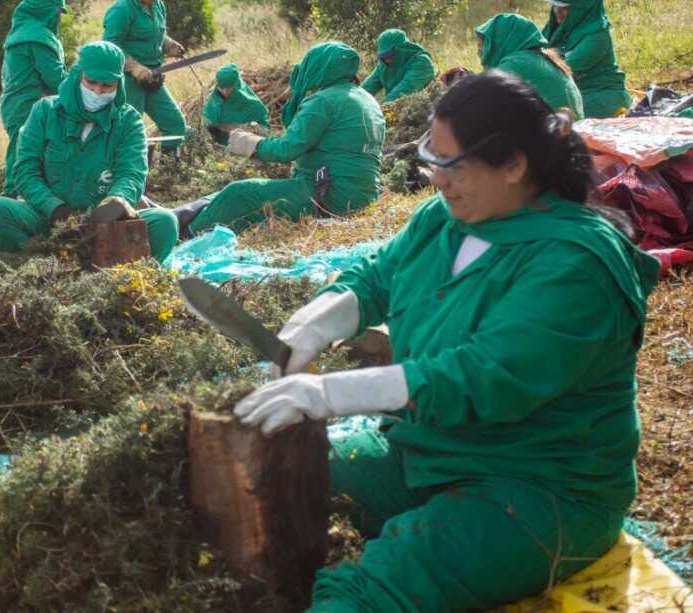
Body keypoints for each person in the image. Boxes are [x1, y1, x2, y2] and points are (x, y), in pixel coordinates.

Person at [232, 70, 659, 612]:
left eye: (450, 165)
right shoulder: (449, 219)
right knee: (274, 476)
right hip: (428, 452)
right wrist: (312, 326)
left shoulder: (575, 265)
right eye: (431, 159)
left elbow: (485, 375)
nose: (437, 179)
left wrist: (330, 395)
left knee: (364, 594)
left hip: (534, 491)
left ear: (513, 166)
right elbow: (378, 276)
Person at [0, 41, 179, 261]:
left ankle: (105, 268)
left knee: (165, 222)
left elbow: (132, 173)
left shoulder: (128, 121)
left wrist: (116, 201)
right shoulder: (44, 112)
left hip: (106, 225)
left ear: (118, 85)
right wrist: (55, 209)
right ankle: (37, 262)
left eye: (107, 85)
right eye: (91, 82)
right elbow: (26, 171)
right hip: (47, 220)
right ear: (77, 75)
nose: (97, 91)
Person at [178, 42, 384, 235]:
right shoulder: (366, 98)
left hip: (328, 198)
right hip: (362, 197)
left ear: (320, 67)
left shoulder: (322, 101)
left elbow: (287, 150)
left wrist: (250, 143)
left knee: (238, 193)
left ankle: (183, 236)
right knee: (223, 196)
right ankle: (178, 216)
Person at [102, 0, 188, 158]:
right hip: (129, 80)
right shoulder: (121, 10)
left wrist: (169, 45)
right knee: (132, 129)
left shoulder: (158, 6)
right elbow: (110, 47)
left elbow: (157, 34)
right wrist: (134, 67)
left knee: (174, 123)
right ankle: (130, 174)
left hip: (154, 76)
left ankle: (171, 170)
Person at [0, 0, 68, 194]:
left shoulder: (22, 32)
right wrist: (81, 85)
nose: (58, 18)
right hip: (27, 105)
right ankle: (11, 196)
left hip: (15, 104)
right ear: (44, 9)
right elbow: (55, 77)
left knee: (25, 149)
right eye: (57, 12)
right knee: (23, 152)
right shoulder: (36, 37)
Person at [542, 0, 632, 117]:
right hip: (574, 92)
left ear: (581, 10)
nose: (557, 12)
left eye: (564, 8)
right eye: (555, 6)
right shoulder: (555, 30)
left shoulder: (597, 36)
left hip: (601, 95)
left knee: (551, 119)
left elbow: (563, 70)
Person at [476, 12, 584, 119]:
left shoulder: (516, 63)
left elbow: (480, 103)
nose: (479, 53)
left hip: (555, 132)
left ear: (499, 42)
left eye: (482, 47)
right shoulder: (540, 57)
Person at [360, 29, 436, 104]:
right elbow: (367, 87)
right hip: (398, 108)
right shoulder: (384, 64)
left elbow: (405, 89)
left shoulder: (422, 62)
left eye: (389, 55)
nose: (386, 60)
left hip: (426, 108)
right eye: (383, 56)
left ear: (403, 48)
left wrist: (381, 109)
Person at [203, 63, 269, 145]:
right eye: (221, 87)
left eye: (229, 88)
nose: (225, 92)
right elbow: (205, 125)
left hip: (245, 144)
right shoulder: (212, 101)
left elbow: (265, 131)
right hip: (217, 145)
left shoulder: (251, 104)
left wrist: (249, 127)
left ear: (237, 84)